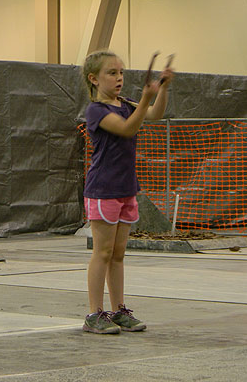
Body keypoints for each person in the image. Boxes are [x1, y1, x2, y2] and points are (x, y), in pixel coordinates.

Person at [81, 49, 174, 334]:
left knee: (119, 254)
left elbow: (155, 115)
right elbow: (127, 129)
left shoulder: (125, 103)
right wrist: (146, 97)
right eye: (112, 73)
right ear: (94, 79)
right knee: (103, 252)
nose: (119, 78)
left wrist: (163, 89)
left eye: (121, 72)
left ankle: (119, 310)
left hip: (126, 189)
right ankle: (94, 314)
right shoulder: (97, 111)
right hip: (103, 189)